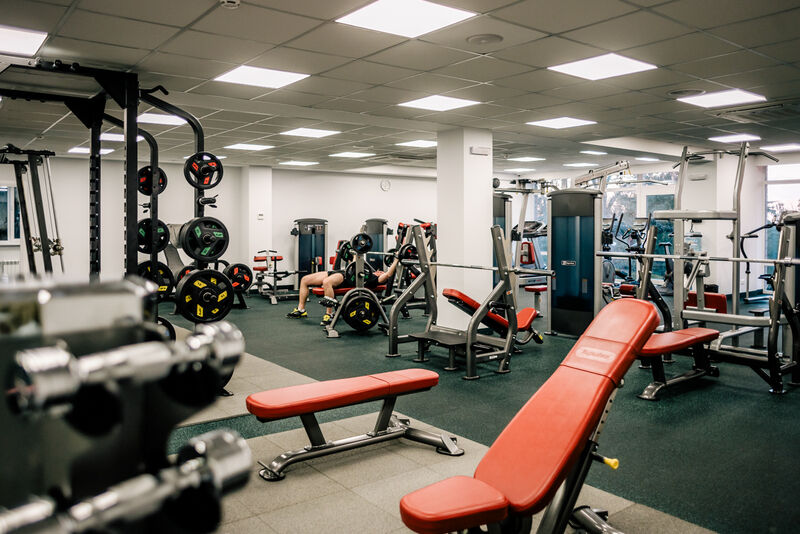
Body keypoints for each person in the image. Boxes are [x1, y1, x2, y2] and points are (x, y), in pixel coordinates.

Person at [287, 257, 399, 325]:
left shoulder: (374, 279)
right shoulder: (367, 269)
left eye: (381, 272)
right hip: (339, 272)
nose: (379, 271)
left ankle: (329, 314)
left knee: (327, 282)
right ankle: (301, 310)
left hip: (345, 278)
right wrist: (355, 252)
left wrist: (396, 260)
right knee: (305, 280)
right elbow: (355, 262)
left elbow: (388, 274)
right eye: (379, 271)